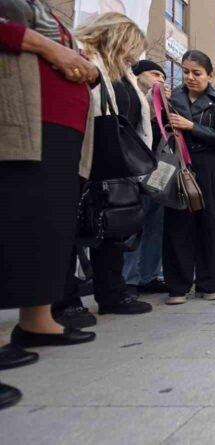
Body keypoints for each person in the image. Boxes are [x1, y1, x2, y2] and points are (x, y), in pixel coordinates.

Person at [0, 0, 99, 410]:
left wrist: (87, 70)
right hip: (21, 116)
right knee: (13, 221)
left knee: (47, 224)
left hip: (58, 126)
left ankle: (37, 320)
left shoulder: (49, 11)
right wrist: (46, 47)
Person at [72, 13, 153, 316]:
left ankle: (113, 293)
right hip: (88, 157)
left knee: (115, 227)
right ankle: (65, 299)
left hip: (120, 162)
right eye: (132, 49)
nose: (134, 57)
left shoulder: (126, 76)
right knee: (78, 227)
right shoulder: (86, 61)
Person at [162, 50, 215, 304]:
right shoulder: (170, 99)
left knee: (212, 223)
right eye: (185, 72)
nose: (190, 77)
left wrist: (191, 126)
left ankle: (209, 282)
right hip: (180, 164)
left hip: (210, 165)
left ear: (210, 75)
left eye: (197, 73)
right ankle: (177, 286)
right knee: (178, 224)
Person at [121, 60, 171, 296]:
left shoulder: (165, 105)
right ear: (138, 75)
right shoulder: (128, 96)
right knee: (132, 224)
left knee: (155, 224)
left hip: (159, 170)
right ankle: (128, 280)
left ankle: (149, 275)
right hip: (133, 169)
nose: (160, 79)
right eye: (154, 74)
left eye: (163, 75)